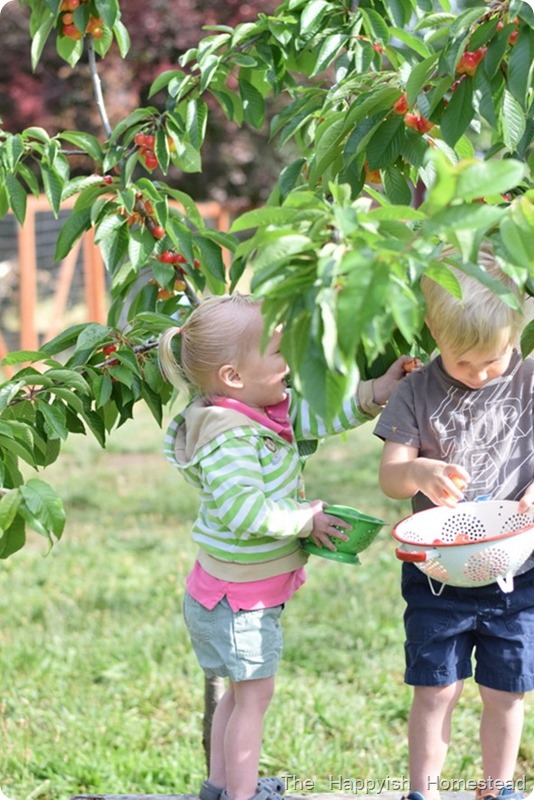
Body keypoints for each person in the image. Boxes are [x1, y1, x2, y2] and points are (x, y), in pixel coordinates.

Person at [158, 293, 411, 800]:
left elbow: (317, 415)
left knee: (239, 695)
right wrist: (305, 520)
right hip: (239, 604)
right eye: (278, 352)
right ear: (233, 375)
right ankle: (243, 795)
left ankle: (220, 787)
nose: (289, 361)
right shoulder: (230, 439)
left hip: (233, 595)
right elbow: (245, 512)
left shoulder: (257, 410)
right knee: (254, 698)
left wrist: (376, 392)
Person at [373, 247, 534, 800]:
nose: (480, 374)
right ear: (434, 333)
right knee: (435, 689)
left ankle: (497, 788)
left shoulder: (528, 380)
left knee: (506, 691)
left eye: (494, 359)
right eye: (464, 363)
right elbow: (391, 477)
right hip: (439, 574)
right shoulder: (417, 391)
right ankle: (424, 790)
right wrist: (417, 470)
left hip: (517, 575)